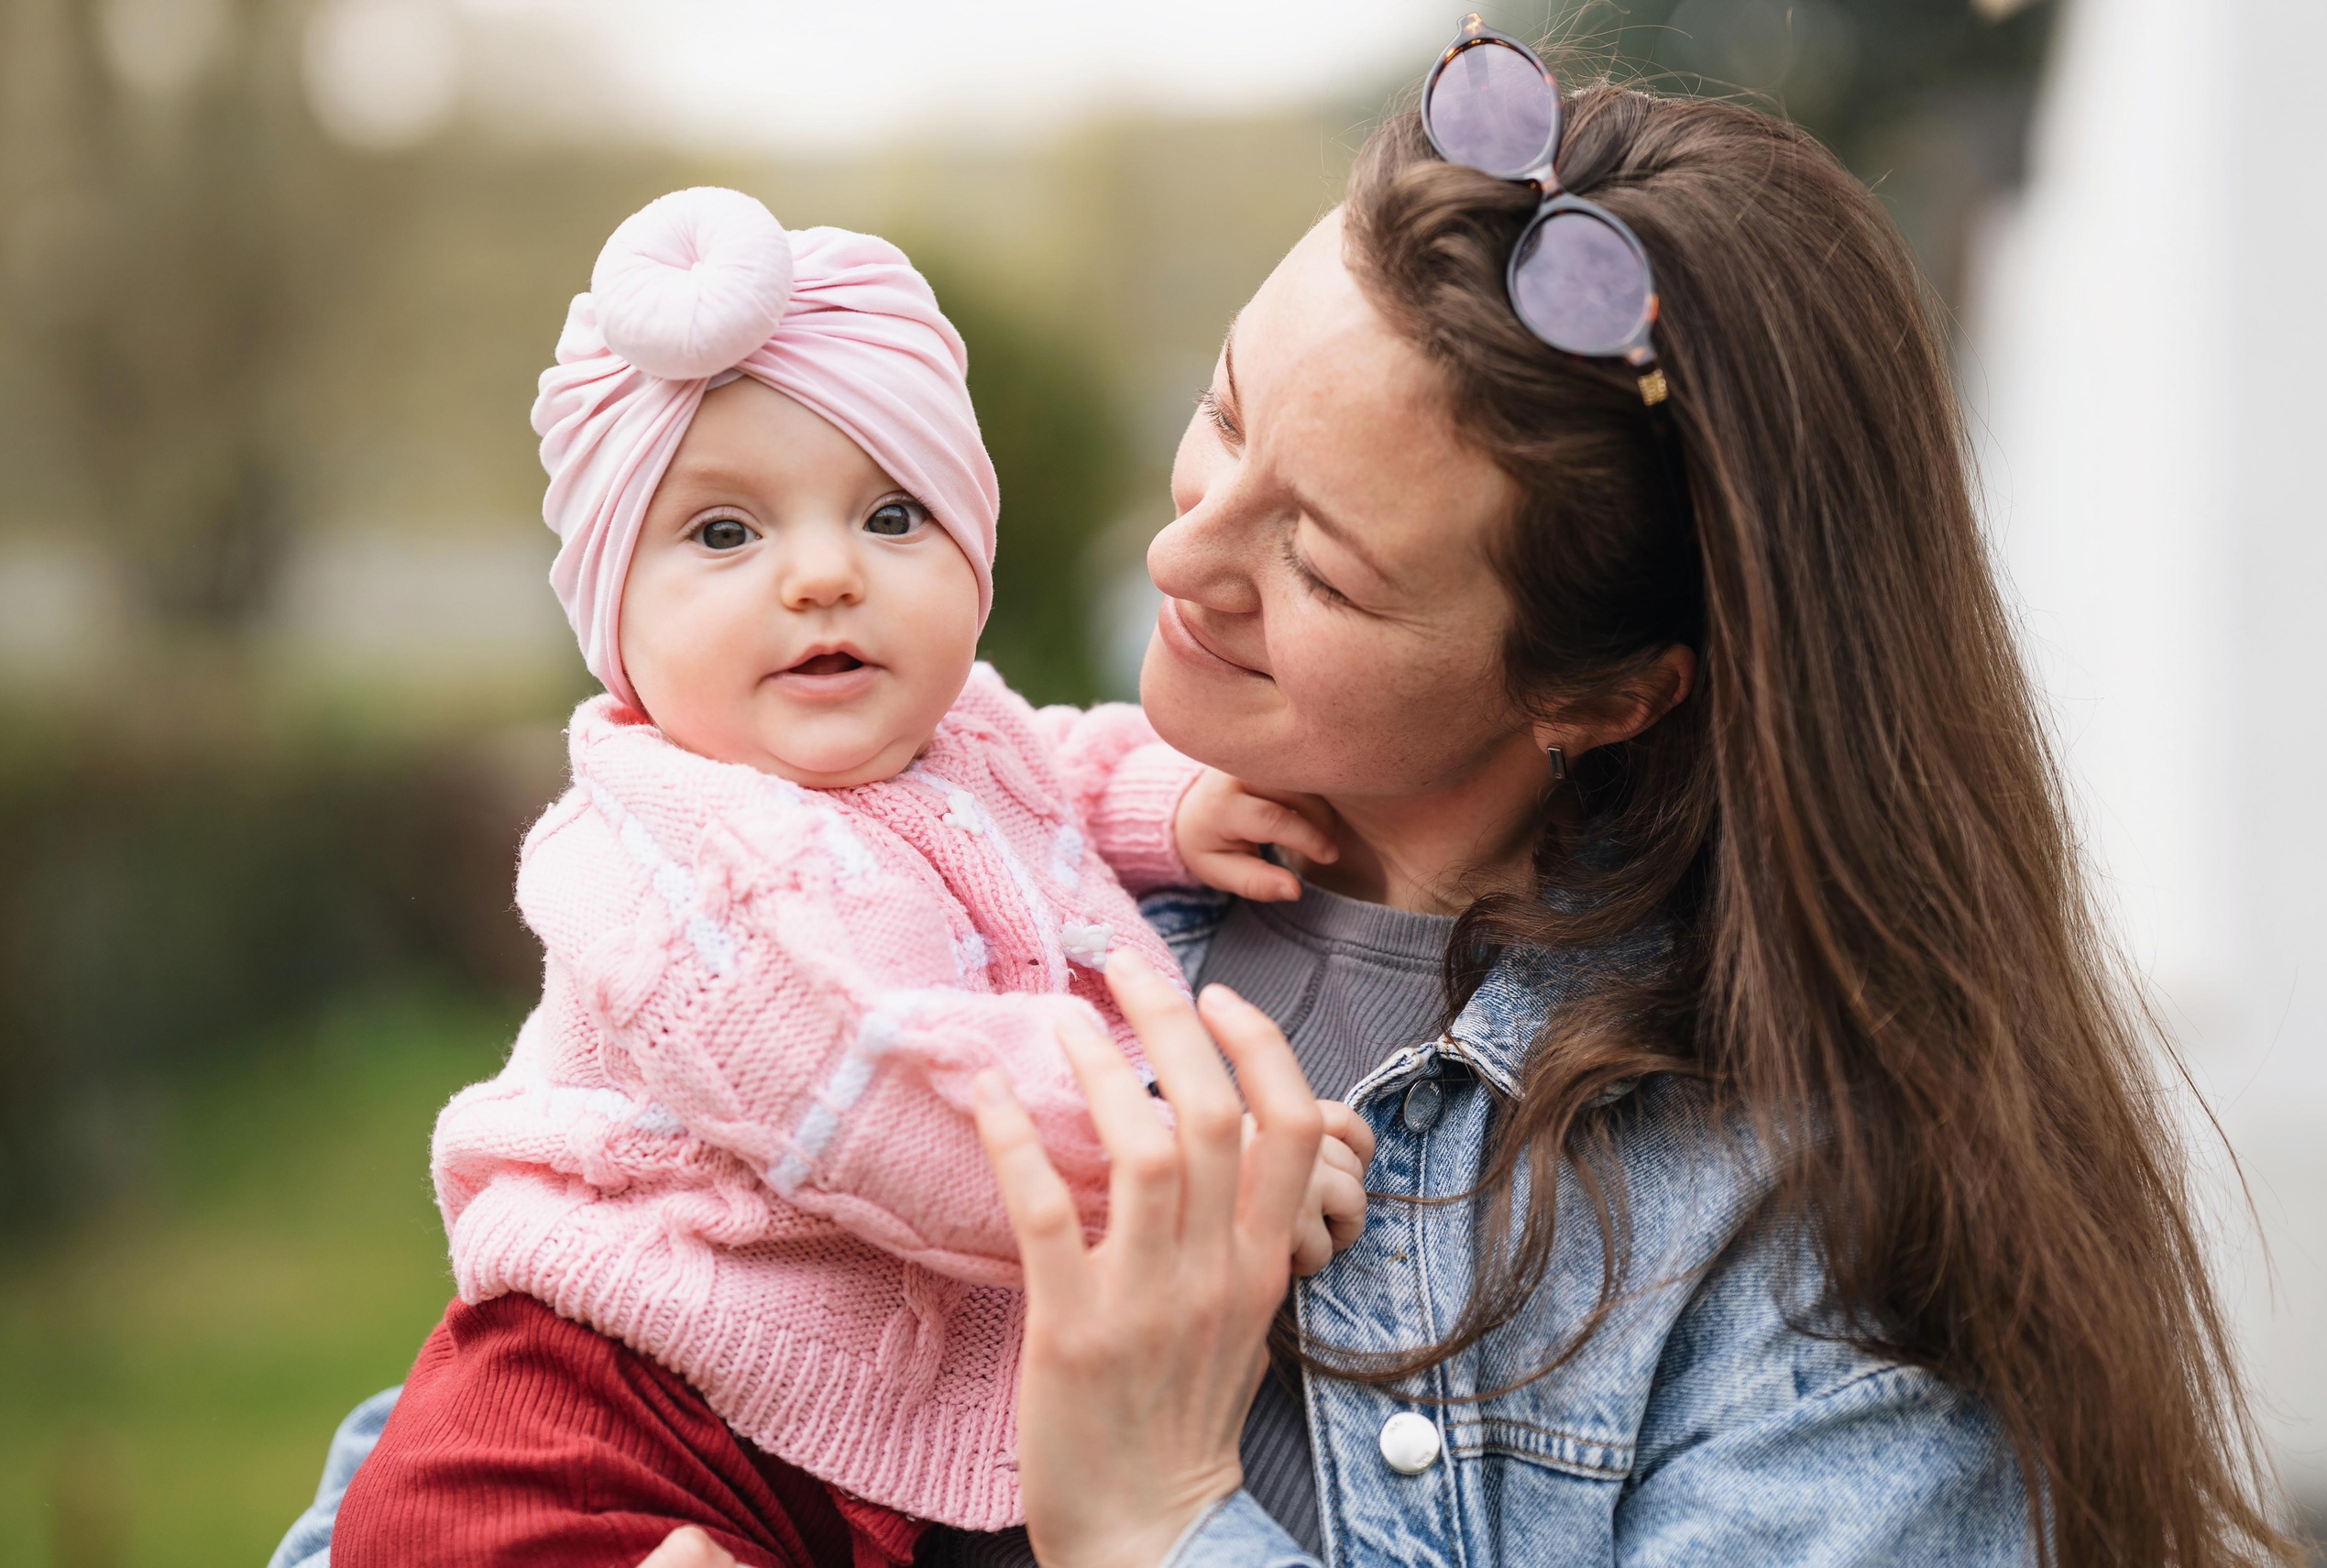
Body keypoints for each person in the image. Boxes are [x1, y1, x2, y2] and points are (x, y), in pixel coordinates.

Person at [277, 25, 2302, 1568]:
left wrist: (1164, 1510)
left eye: (1317, 566)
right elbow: (459, 1427)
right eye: (1222, 411)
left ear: (1606, 688)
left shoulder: (1790, 1250)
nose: (1178, 560)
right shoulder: (989, 871)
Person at [308, 185, 1372, 1566]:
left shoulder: (948, 733)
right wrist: (1190, 1174)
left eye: (889, 516)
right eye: (725, 534)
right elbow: (896, 1093)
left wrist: (1176, 801)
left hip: (794, 1425)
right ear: (612, 619)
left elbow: (1049, 768)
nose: (823, 576)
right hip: (600, 1415)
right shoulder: (655, 864)